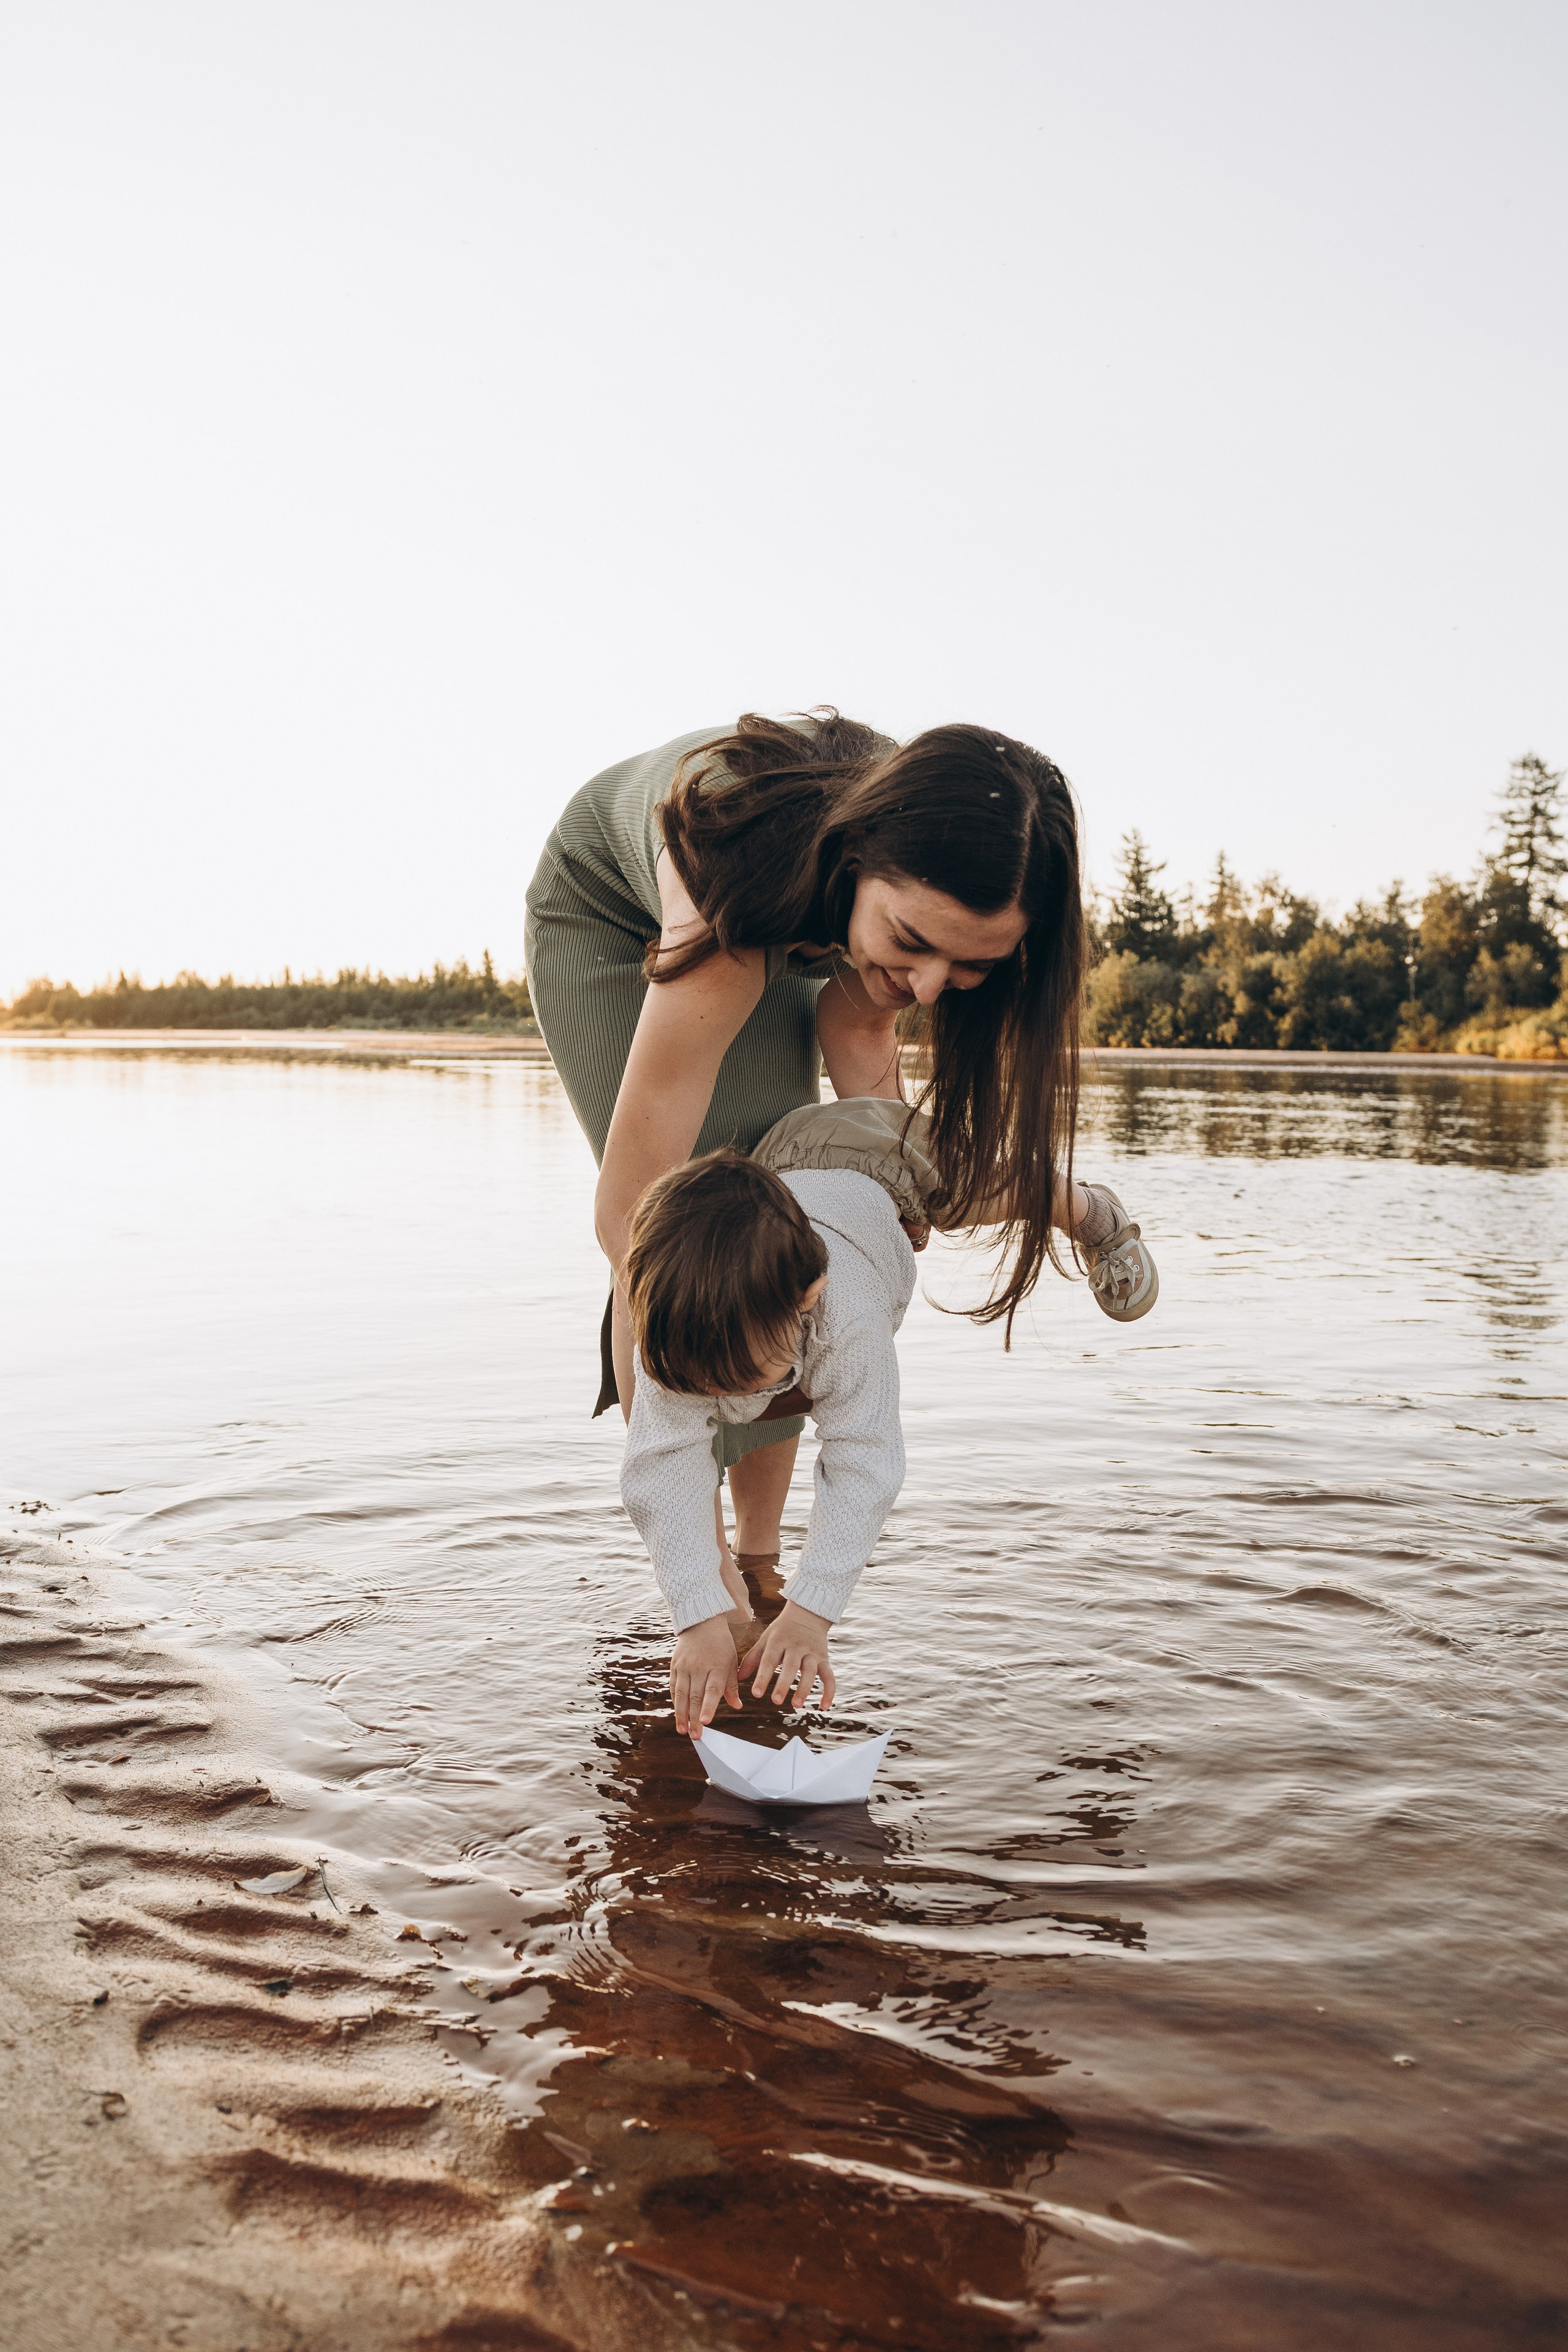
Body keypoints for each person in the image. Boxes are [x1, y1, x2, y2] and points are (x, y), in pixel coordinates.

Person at [523, 709, 1123, 1588]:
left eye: (971, 968)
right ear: (858, 857)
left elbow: (860, 1021)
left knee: (789, 1227)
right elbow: (630, 1224)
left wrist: (892, 1182)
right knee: (705, 1231)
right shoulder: (733, 904)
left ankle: (760, 1558)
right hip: (614, 916)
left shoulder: (935, 858)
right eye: (912, 943)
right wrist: (696, 1587)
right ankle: (719, 1574)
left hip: (786, 917)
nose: (929, 988)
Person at [618, 1096, 1158, 1738]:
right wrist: (697, 1617)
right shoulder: (675, 1332)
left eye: (737, 1380)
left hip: (886, 1158)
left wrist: (810, 1613)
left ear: (807, 1301)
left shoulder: (850, 1321)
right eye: (698, 1387)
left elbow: (864, 1462)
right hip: (784, 1167)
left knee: (979, 1198)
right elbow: (661, 1467)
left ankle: (1090, 1211)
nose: (713, 1399)